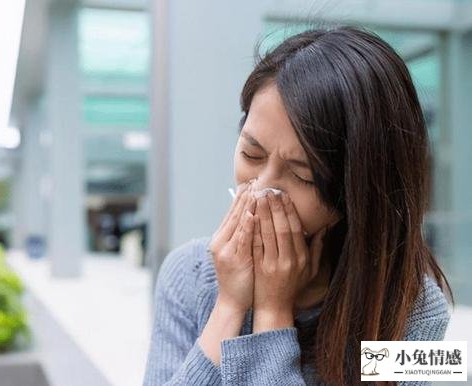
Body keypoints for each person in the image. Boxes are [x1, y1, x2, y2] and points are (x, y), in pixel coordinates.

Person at [142, 25, 455, 386]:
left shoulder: (412, 307)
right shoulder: (189, 274)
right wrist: (228, 307)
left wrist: (273, 315)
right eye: (251, 153)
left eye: (302, 176)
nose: (261, 187)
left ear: (357, 195)